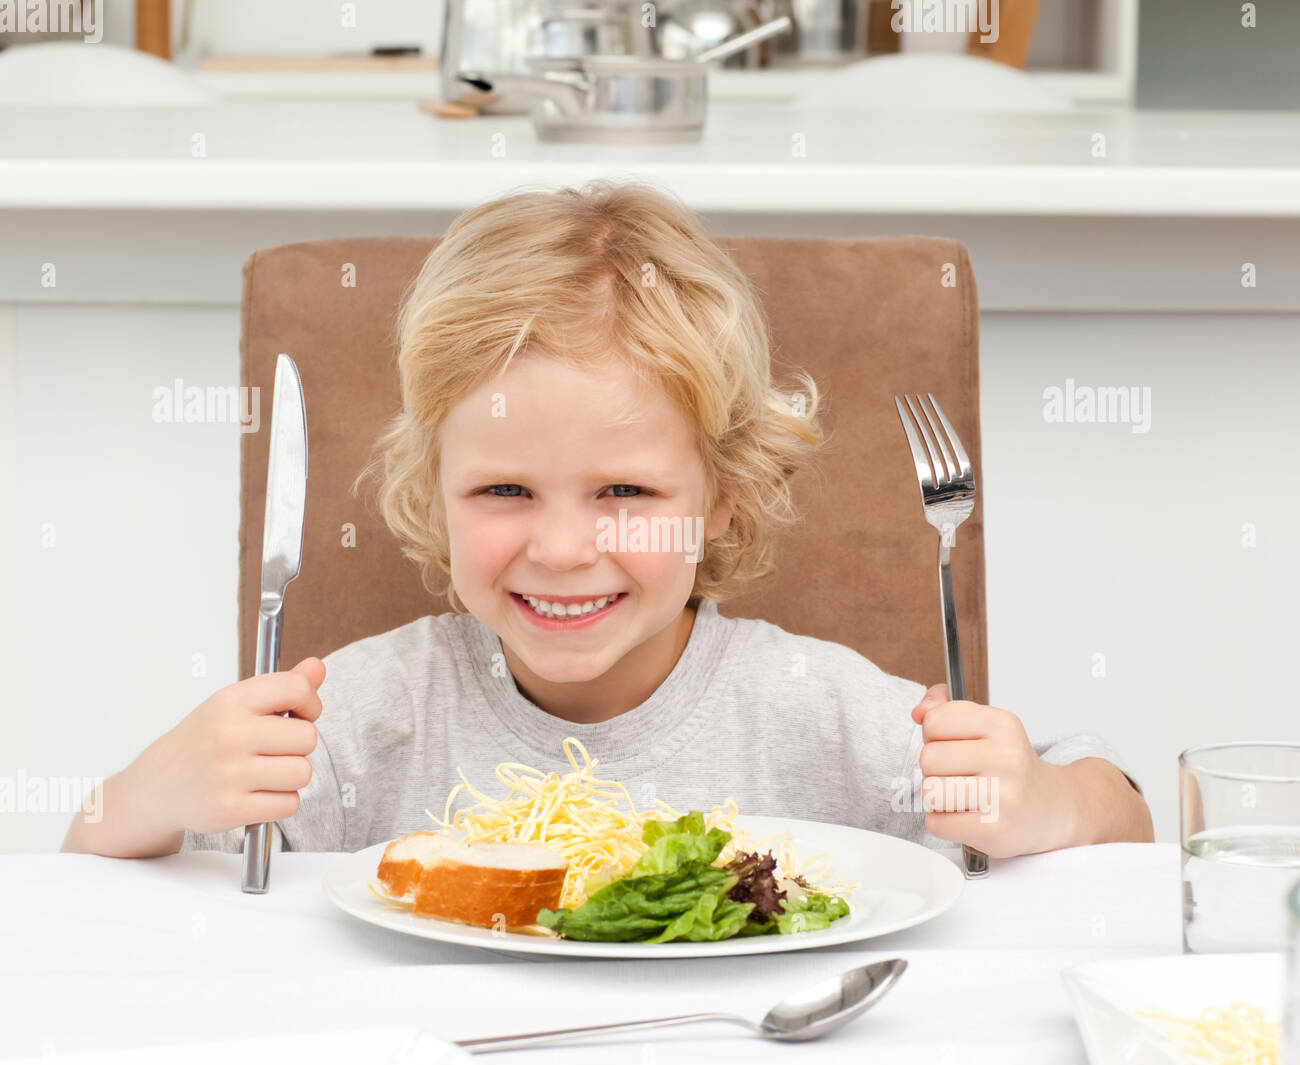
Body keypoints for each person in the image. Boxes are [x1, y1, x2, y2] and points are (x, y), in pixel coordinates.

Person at [62, 180, 1153, 862]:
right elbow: (102, 873)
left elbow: (1122, 811)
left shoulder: (807, 708)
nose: (564, 547)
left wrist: (1047, 800)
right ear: (433, 491)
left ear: (721, 494)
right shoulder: (365, 716)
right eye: (504, 491)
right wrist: (145, 792)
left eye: (625, 493)